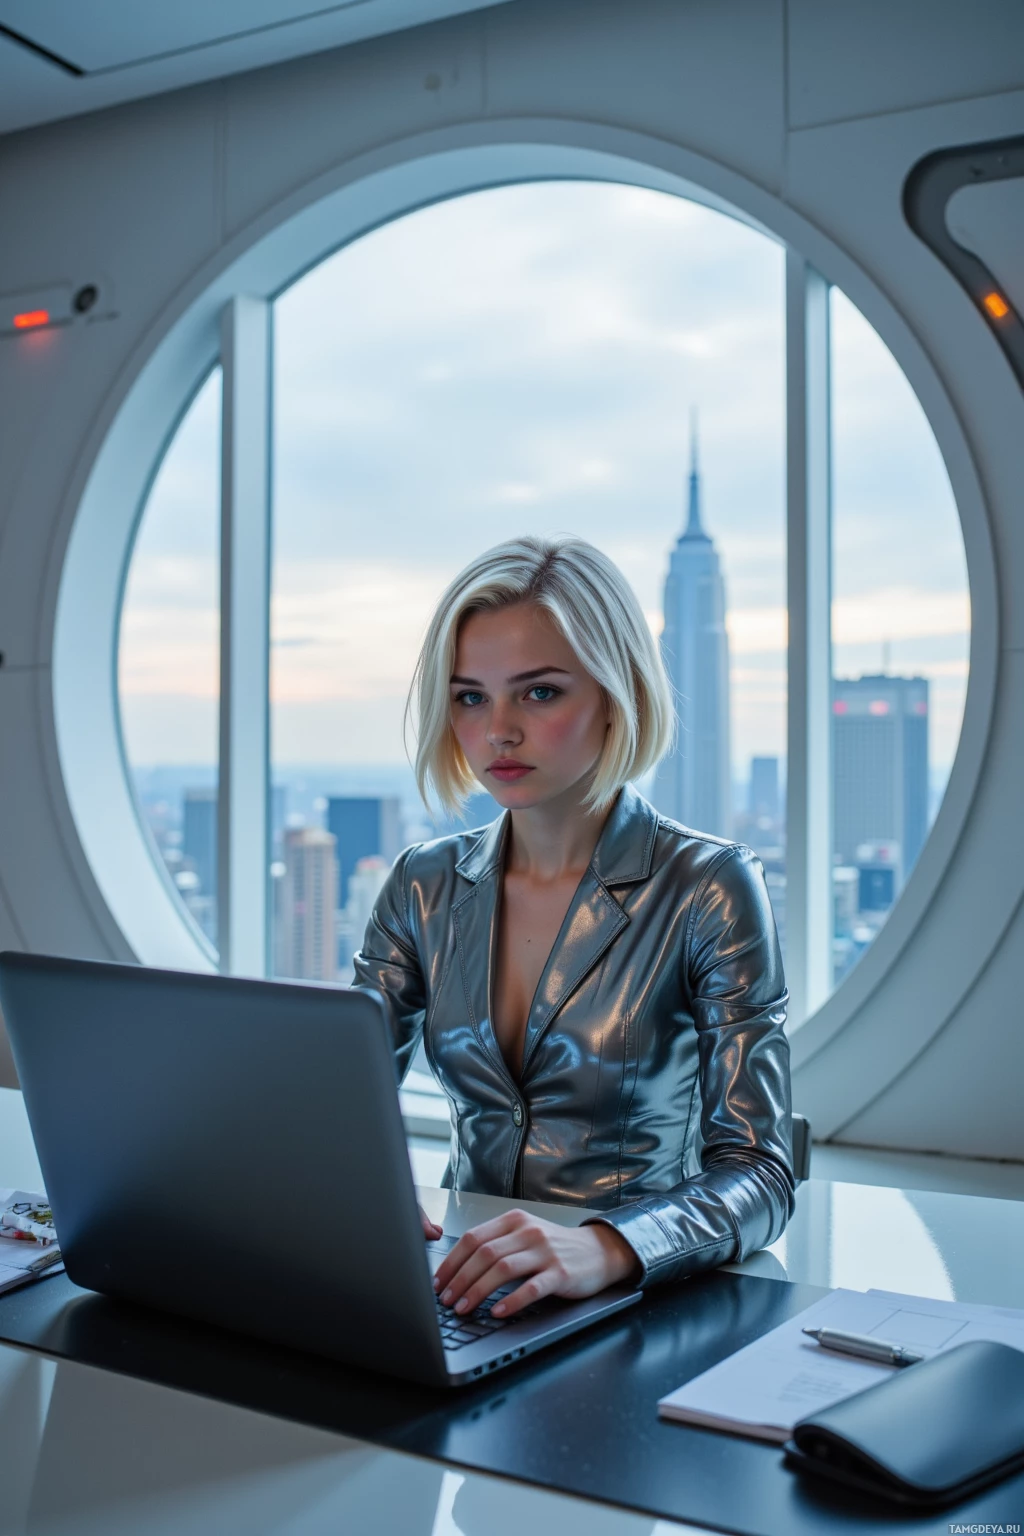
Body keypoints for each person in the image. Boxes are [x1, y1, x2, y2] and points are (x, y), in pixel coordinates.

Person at [353, 535, 793, 1323]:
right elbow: (339, 1101)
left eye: (540, 693)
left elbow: (761, 1172)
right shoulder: (422, 884)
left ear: (617, 693)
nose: (498, 733)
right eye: (469, 697)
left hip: (637, 1303)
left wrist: (609, 1246)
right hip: (459, 1293)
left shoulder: (709, 886)